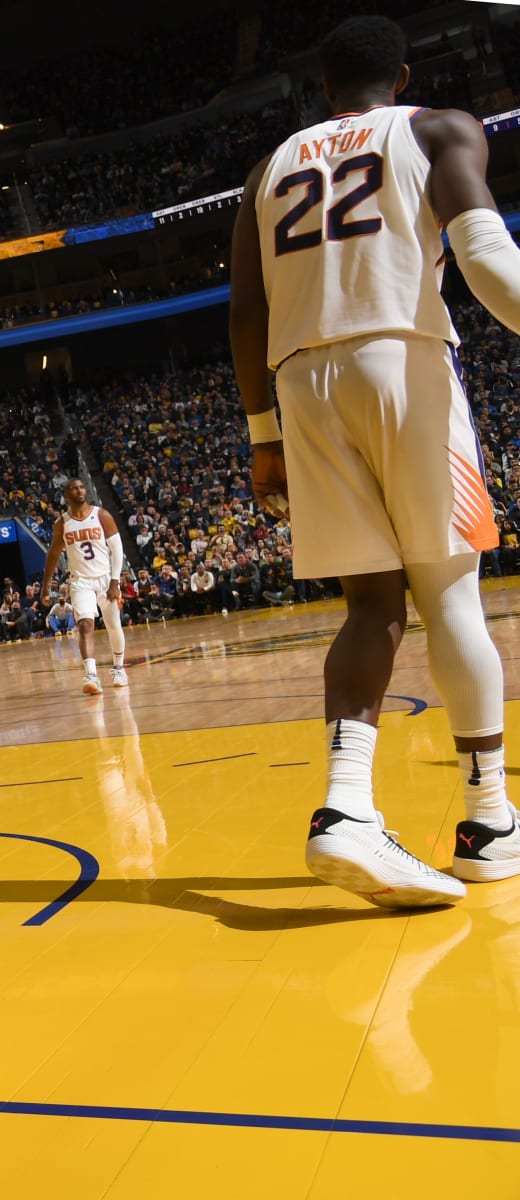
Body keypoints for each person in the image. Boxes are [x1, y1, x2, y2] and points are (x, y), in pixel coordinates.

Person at [230, 15, 520, 903]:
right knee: (452, 593)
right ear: (401, 73)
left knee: (370, 605)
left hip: (300, 383)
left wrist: (262, 438)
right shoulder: (436, 127)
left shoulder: (266, 169)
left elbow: (245, 312)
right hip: (402, 361)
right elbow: (484, 257)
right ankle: (489, 821)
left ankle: (347, 810)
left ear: (322, 89)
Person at [40, 479, 129, 694]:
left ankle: (119, 668)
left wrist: (115, 581)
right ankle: (91, 675)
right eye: (74, 489)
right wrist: (45, 587)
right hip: (80, 582)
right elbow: (53, 555)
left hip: (105, 578)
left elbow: (117, 550)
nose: (80, 491)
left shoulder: (101, 515)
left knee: (113, 626)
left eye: (82, 487)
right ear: (66, 495)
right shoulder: (62, 523)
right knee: (85, 625)